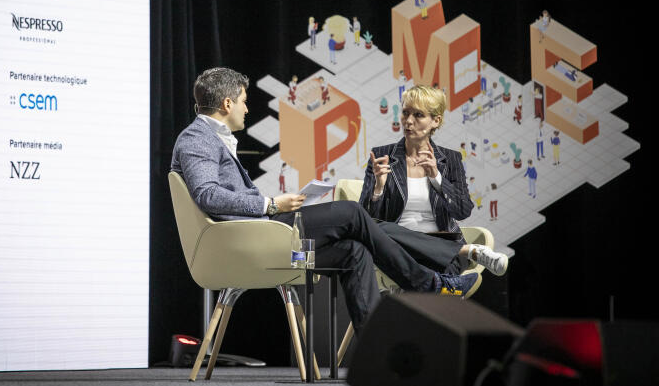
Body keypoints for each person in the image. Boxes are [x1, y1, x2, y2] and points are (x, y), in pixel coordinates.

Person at [171, 68, 480, 334]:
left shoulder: (210, 137)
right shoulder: (197, 138)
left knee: (355, 251)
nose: (246, 108)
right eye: (243, 101)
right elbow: (208, 195)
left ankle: (376, 351)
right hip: (250, 240)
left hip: (262, 233)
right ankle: (429, 283)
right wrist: (271, 204)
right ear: (227, 104)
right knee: (351, 212)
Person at [358, 85, 508, 278]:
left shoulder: (450, 159)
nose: (408, 121)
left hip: (440, 248)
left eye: (418, 115)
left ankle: (448, 272)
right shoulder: (381, 155)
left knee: (424, 271)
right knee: (380, 231)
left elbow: (463, 211)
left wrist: (437, 177)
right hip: (396, 248)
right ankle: (467, 252)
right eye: (405, 113)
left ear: (435, 121)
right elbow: (364, 218)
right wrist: (378, 188)